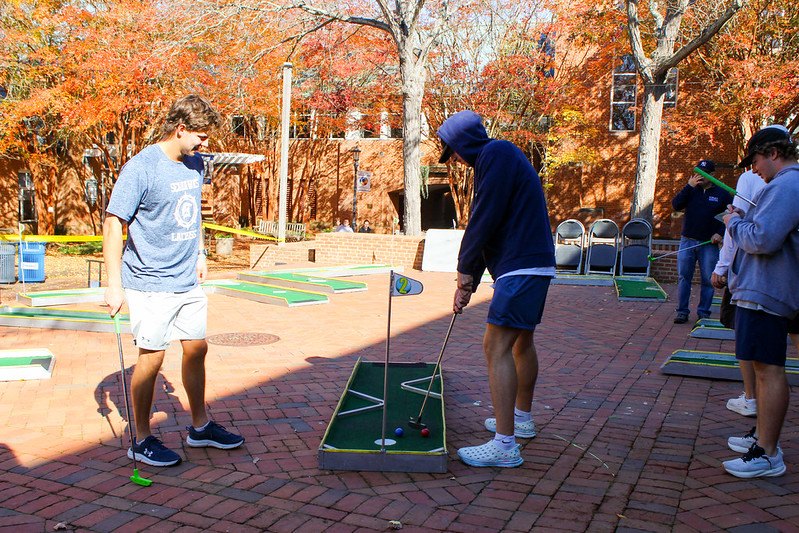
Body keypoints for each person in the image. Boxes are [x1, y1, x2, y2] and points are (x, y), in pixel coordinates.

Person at [103, 94, 244, 467]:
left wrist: (199, 253)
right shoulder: (141, 168)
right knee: (152, 358)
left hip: (186, 278)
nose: (205, 143)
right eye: (200, 135)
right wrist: (114, 283)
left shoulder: (194, 164)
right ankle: (143, 438)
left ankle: (200, 427)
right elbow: (114, 222)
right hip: (150, 280)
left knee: (197, 348)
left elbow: (193, 214)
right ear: (180, 129)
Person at [438, 110, 555, 468]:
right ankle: (520, 420)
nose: (454, 159)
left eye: (453, 151)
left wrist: (463, 271)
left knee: (495, 344)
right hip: (528, 264)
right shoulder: (498, 158)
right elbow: (491, 219)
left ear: (465, 143)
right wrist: (470, 279)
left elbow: (484, 217)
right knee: (521, 341)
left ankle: (505, 446)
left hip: (522, 265)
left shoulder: (496, 154)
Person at [720, 125, 799, 479]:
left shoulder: (787, 184)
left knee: (768, 370)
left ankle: (767, 451)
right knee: (765, 368)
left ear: (772, 153)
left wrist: (734, 223)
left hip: (767, 291)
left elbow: (763, 239)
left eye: (754, 160)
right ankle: (764, 440)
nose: (753, 169)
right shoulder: (784, 185)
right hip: (767, 288)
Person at [710, 169, 765, 417]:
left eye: (756, 161)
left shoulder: (751, 178)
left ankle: (752, 397)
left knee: (746, 337)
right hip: (776, 278)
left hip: (750, 275)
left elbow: (736, 230)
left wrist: (721, 267)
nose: (755, 168)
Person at [671, 160, 733, 324]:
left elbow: (729, 216)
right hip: (687, 241)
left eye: (703, 173)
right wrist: (688, 186)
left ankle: (703, 312)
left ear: (712, 175)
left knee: (707, 279)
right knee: (684, 277)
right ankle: (682, 311)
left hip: (708, 244)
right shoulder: (691, 190)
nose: (699, 176)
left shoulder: (722, 193)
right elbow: (676, 205)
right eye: (697, 172)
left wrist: (720, 233)